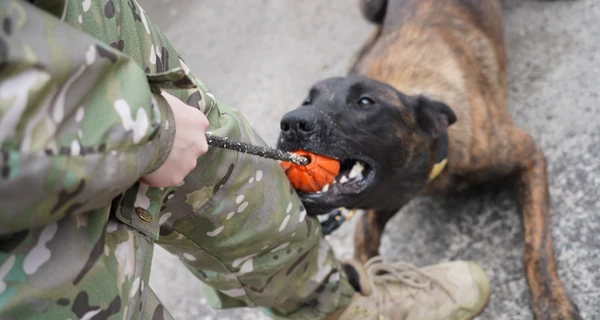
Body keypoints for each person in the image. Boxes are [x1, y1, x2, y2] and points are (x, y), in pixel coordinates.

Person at [0, 0, 491, 319]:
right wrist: (142, 127)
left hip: (65, 29)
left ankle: (337, 306)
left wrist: (147, 120)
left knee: (213, 164)